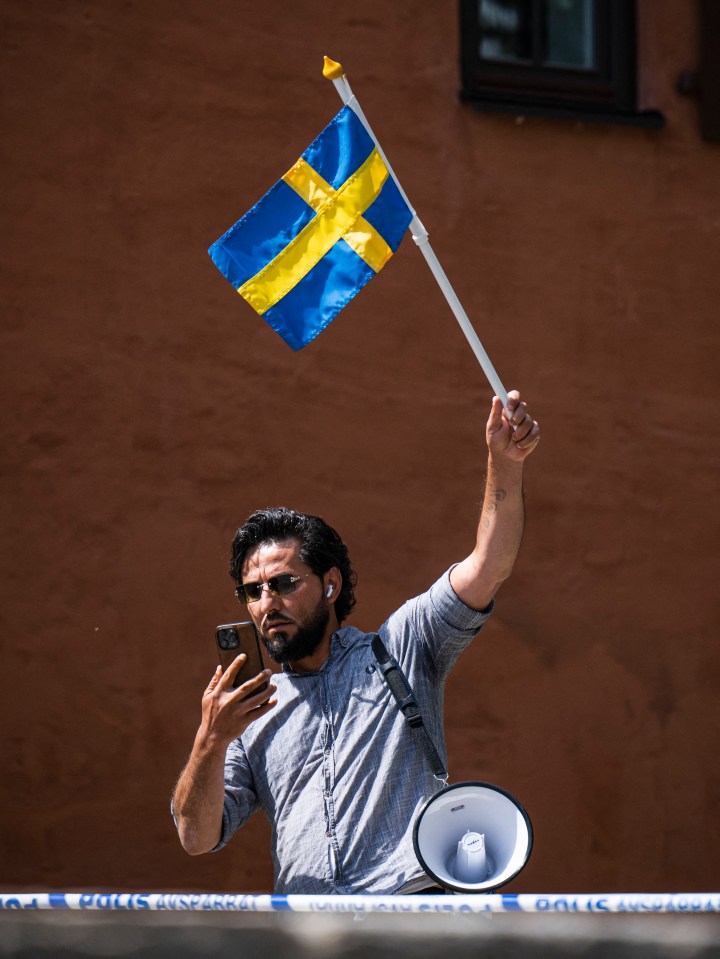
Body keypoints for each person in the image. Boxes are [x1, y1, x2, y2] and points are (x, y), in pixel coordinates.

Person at [172, 390, 540, 894]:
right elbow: (195, 838)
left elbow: (488, 564)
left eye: (282, 583)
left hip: (409, 918)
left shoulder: (402, 647)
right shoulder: (247, 712)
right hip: (310, 936)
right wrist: (210, 741)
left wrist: (505, 463)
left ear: (330, 584)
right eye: (251, 592)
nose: (265, 604)